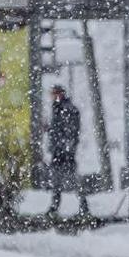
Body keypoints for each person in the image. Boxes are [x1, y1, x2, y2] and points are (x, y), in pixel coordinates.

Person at [47, 86, 88, 218]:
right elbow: (60, 130)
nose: (53, 97)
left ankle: (83, 206)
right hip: (59, 150)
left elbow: (71, 131)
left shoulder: (67, 109)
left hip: (65, 151)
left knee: (69, 179)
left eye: (55, 94)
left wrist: (66, 148)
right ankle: (55, 207)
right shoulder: (58, 108)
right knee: (58, 180)